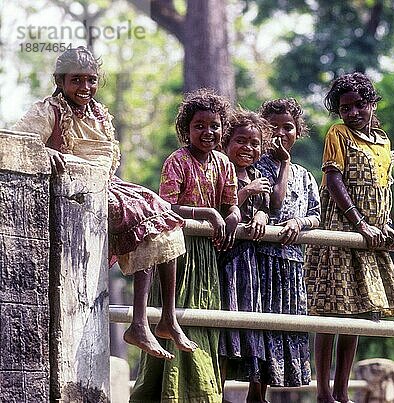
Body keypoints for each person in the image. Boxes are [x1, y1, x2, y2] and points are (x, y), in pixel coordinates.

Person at [10, 46, 197, 361]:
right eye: (76, 81)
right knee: (143, 213)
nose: (84, 88)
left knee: (162, 211)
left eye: (91, 80)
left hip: (104, 186)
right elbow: (14, 141)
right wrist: (47, 153)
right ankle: (138, 324)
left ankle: (166, 317)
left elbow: (107, 165)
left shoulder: (100, 114)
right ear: (60, 80)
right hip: (70, 191)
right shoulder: (48, 111)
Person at [130, 88, 240, 402]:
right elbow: (166, 207)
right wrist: (207, 212)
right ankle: (170, 394)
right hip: (176, 254)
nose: (208, 132)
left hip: (208, 258)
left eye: (215, 125)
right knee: (178, 317)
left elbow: (231, 203)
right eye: (199, 126)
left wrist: (232, 214)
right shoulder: (177, 162)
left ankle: (204, 394)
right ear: (186, 130)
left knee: (204, 323)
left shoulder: (224, 164)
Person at [304, 73, 394, 403]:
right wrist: (359, 222)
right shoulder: (338, 134)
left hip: (371, 234)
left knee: (356, 312)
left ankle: (341, 391)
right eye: (344, 107)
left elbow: (383, 188)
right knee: (330, 313)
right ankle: (323, 392)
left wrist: (384, 222)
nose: (352, 113)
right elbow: (333, 181)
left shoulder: (382, 140)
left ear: (371, 104)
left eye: (359, 105)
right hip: (341, 229)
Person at [254, 98, 320, 400]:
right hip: (261, 260)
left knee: (284, 326)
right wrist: (283, 165)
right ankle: (254, 393)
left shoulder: (306, 176)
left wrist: (298, 222)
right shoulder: (257, 165)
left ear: (298, 131)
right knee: (259, 325)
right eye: (273, 127)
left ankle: (263, 394)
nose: (280, 133)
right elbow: (274, 204)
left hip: (291, 263)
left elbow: (316, 215)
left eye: (288, 127)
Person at [218, 108, 272, 402]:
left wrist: (262, 214)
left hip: (250, 266)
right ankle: (216, 392)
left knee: (248, 330)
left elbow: (265, 207)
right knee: (223, 331)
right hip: (225, 260)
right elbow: (218, 208)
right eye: (241, 141)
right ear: (227, 141)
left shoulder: (259, 176)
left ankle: (255, 396)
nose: (247, 149)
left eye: (254, 144)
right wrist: (245, 192)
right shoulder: (220, 170)